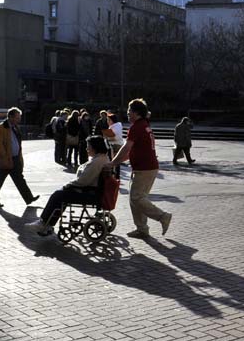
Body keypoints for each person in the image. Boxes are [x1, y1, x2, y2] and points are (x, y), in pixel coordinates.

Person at [108, 98, 172, 239]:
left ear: (136, 112)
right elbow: (132, 152)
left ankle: (163, 217)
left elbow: (126, 148)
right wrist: (118, 161)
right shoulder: (144, 125)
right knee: (135, 199)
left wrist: (112, 163)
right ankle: (142, 229)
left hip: (145, 168)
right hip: (145, 167)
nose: (127, 113)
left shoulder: (137, 127)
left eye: (129, 110)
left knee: (137, 198)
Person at [27, 135, 111, 236]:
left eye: (88, 146)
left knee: (58, 195)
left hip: (91, 194)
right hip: (94, 191)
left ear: (95, 147)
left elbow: (83, 181)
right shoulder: (102, 158)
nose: (86, 148)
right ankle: (47, 224)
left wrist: (68, 185)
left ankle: (43, 222)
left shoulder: (97, 162)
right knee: (62, 195)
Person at [0, 107, 39, 209]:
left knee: (20, 180)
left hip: (15, 158)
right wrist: (4, 155)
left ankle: (29, 198)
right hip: (4, 160)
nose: (19, 119)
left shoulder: (15, 127)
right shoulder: (1, 127)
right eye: (17, 117)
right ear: (11, 117)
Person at [103, 112, 125, 177]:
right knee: (114, 162)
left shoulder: (116, 127)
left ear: (113, 120)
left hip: (115, 146)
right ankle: (114, 176)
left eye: (109, 120)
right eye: (107, 120)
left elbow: (115, 138)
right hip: (114, 145)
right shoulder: (115, 126)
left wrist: (107, 138)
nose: (108, 121)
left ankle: (115, 177)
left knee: (115, 162)